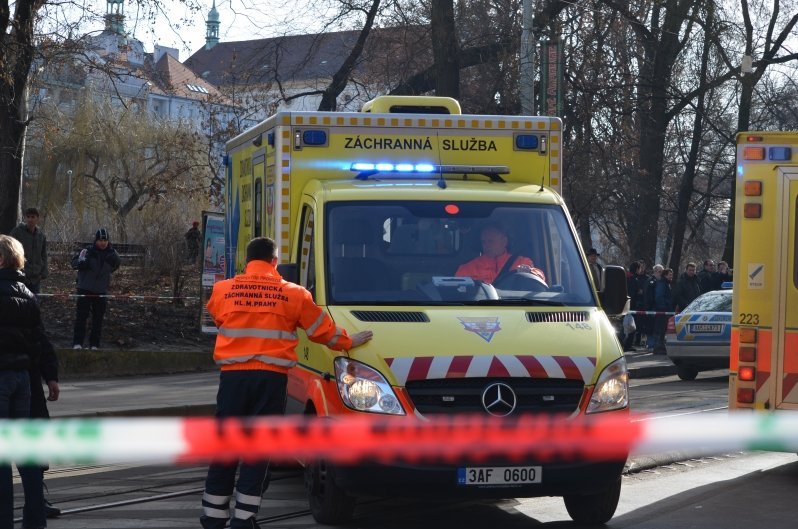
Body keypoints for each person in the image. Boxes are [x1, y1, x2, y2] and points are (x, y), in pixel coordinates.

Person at [200, 237, 373, 529]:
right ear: (275, 262)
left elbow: (220, 319)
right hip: (271, 378)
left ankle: (213, 516)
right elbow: (322, 331)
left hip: (233, 378)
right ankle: (243, 518)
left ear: (247, 261)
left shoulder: (223, 290)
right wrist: (348, 341)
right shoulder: (293, 294)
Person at [0, 235, 51, 528]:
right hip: (23, 380)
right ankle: (35, 519)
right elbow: (38, 341)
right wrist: (49, 374)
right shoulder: (28, 293)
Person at [71, 228, 121, 350]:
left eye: (105, 240)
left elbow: (116, 266)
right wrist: (80, 263)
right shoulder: (87, 251)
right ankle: (78, 343)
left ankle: (94, 344)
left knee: (98, 319)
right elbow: (74, 262)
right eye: (100, 240)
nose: (103, 243)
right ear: (96, 240)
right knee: (81, 317)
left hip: (101, 291)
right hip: (85, 289)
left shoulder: (113, 255)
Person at [455, 224, 545, 285]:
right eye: (484, 242)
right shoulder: (467, 268)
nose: (486, 245)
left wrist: (530, 273)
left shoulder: (522, 262)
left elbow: (540, 279)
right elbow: (455, 291)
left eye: (491, 241)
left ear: (504, 241)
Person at [10, 207, 48, 295]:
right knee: (21, 302)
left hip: (36, 276)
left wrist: (44, 271)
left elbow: (44, 255)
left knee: (34, 303)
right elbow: (9, 250)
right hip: (21, 275)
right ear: (25, 218)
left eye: (33, 217)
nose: (30, 219)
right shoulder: (17, 232)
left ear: (37, 218)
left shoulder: (41, 235)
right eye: (28, 217)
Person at [652, 268, 674, 354]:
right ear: (665, 275)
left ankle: (660, 347)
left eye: (672, 275)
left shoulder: (666, 283)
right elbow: (659, 297)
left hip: (664, 310)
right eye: (670, 275)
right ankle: (658, 348)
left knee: (662, 330)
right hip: (662, 311)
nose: (671, 277)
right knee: (660, 329)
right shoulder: (662, 284)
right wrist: (664, 308)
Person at [645, 264, 664, 352]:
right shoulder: (651, 281)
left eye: (662, 272)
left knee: (657, 327)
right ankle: (651, 345)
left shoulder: (661, 281)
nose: (661, 274)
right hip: (652, 307)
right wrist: (650, 305)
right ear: (655, 271)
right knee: (651, 326)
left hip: (658, 307)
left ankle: (656, 345)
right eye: (659, 272)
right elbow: (649, 295)